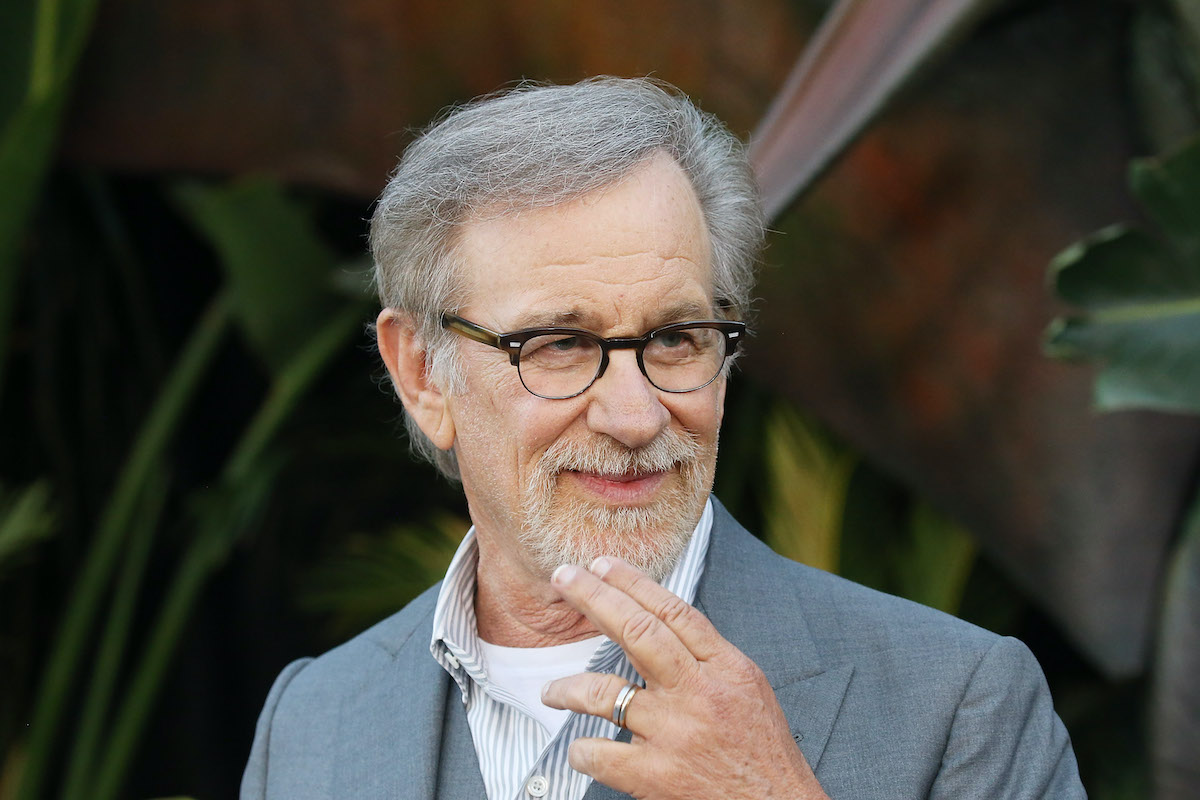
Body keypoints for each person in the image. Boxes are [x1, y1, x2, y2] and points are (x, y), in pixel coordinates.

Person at [241, 77, 1086, 800]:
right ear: (422, 373)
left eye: (675, 339)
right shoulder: (313, 725)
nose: (636, 416)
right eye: (559, 345)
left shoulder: (959, 702)